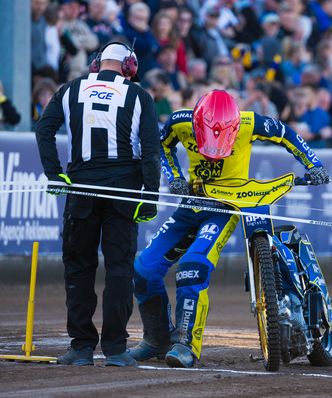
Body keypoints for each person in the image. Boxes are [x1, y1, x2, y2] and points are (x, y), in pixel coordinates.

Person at [129, 89, 331, 368]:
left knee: (193, 267)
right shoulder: (179, 122)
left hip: (227, 207)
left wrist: (314, 165)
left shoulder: (250, 122)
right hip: (191, 204)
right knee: (143, 270)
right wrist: (174, 177)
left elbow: (286, 133)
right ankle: (157, 339)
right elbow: (162, 146)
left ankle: (186, 344)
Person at [35, 41, 161, 366]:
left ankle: (81, 347)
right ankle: (116, 349)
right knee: (119, 269)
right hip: (124, 192)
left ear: (96, 63)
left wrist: (54, 174)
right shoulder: (140, 96)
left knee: (79, 268)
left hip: (82, 189)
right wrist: (150, 195)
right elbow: (150, 150)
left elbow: (44, 130)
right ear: (130, 66)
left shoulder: (69, 89)